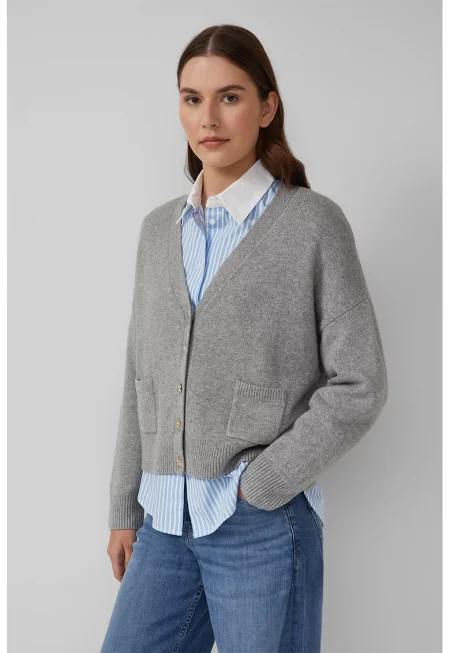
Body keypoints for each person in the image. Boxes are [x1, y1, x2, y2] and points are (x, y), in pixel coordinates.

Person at [100, 24, 388, 653]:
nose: (208, 118)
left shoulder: (312, 224)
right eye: (192, 99)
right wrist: (125, 506)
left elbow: (359, 382)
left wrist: (263, 484)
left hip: (259, 525)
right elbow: (139, 378)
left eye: (229, 97)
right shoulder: (158, 231)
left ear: (266, 107)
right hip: (164, 523)